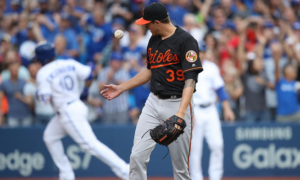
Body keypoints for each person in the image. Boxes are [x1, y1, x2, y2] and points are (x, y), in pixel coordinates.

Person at [101, 3, 203, 180]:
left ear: (157, 22)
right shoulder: (153, 39)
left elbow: (190, 80)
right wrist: (121, 87)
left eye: (147, 23)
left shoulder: (186, 41)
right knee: (136, 156)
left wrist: (180, 114)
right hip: (153, 102)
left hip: (177, 103)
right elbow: (150, 70)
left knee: (180, 168)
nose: (145, 27)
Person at [34, 42, 129, 180]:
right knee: (49, 137)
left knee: (91, 145)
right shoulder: (67, 62)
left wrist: (38, 92)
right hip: (74, 106)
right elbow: (89, 74)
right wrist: (84, 90)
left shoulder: (43, 72)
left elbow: (44, 99)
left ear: (41, 59)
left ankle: (125, 171)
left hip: (68, 112)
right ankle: (66, 174)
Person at [189, 42, 235, 180]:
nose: (200, 54)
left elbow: (220, 89)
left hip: (210, 109)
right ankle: (196, 178)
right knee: (195, 149)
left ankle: (215, 176)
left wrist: (227, 109)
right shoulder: (185, 68)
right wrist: (189, 111)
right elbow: (183, 93)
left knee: (217, 144)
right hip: (195, 109)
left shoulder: (211, 67)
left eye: (202, 51)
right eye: (198, 51)